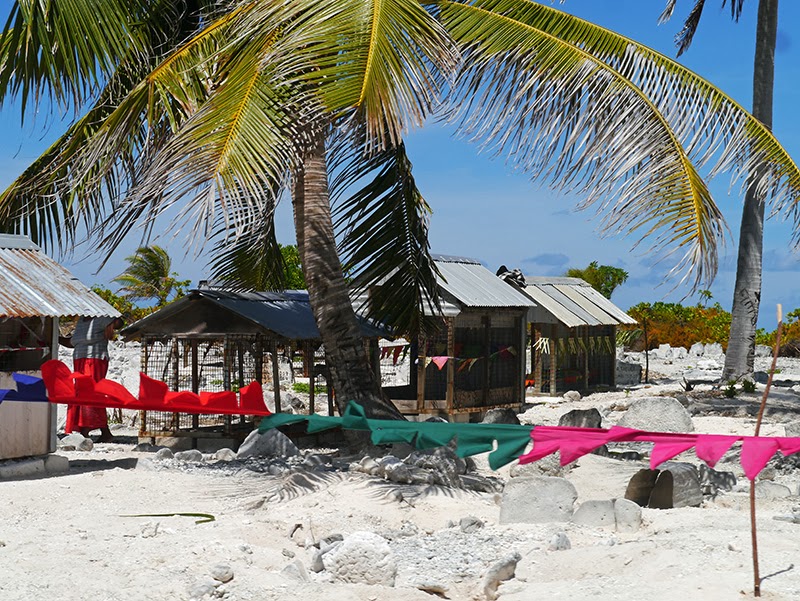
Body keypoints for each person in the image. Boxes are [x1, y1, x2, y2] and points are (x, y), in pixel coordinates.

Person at [60, 315, 124, 442]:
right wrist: (55, 338)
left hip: (94, 360)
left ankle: (95, 430)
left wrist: (112, 321)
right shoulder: (81, 322)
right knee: (81, 393)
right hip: (80, 359)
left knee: (92, 393)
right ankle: (87, 429)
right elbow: (72, 342)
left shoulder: (100, 319)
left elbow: (119, 323)